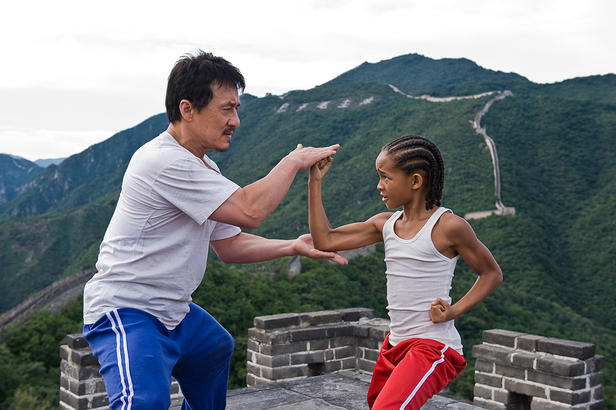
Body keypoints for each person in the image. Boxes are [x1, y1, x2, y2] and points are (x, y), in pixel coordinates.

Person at [82, 51, 346, 410]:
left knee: (215, 347)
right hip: (127, 308)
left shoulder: (205, 169)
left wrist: (293, 246)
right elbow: (250, 210)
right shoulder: (163, 160)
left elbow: (230, 245)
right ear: (187, 109)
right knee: (142, 403)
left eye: (236, 109)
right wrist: (293, 161)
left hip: (174, 310)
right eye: (226, 108)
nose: (235, 120)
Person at [308, 135, 503, 410]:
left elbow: (491, 274)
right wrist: (314, 182)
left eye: (386, 177)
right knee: (377, 403)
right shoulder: (385, 225)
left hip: (433, 347)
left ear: (415, 181)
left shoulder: (448, 227)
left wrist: (453, 311)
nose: (379, 186)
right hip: (395, 344)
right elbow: (324, 241)